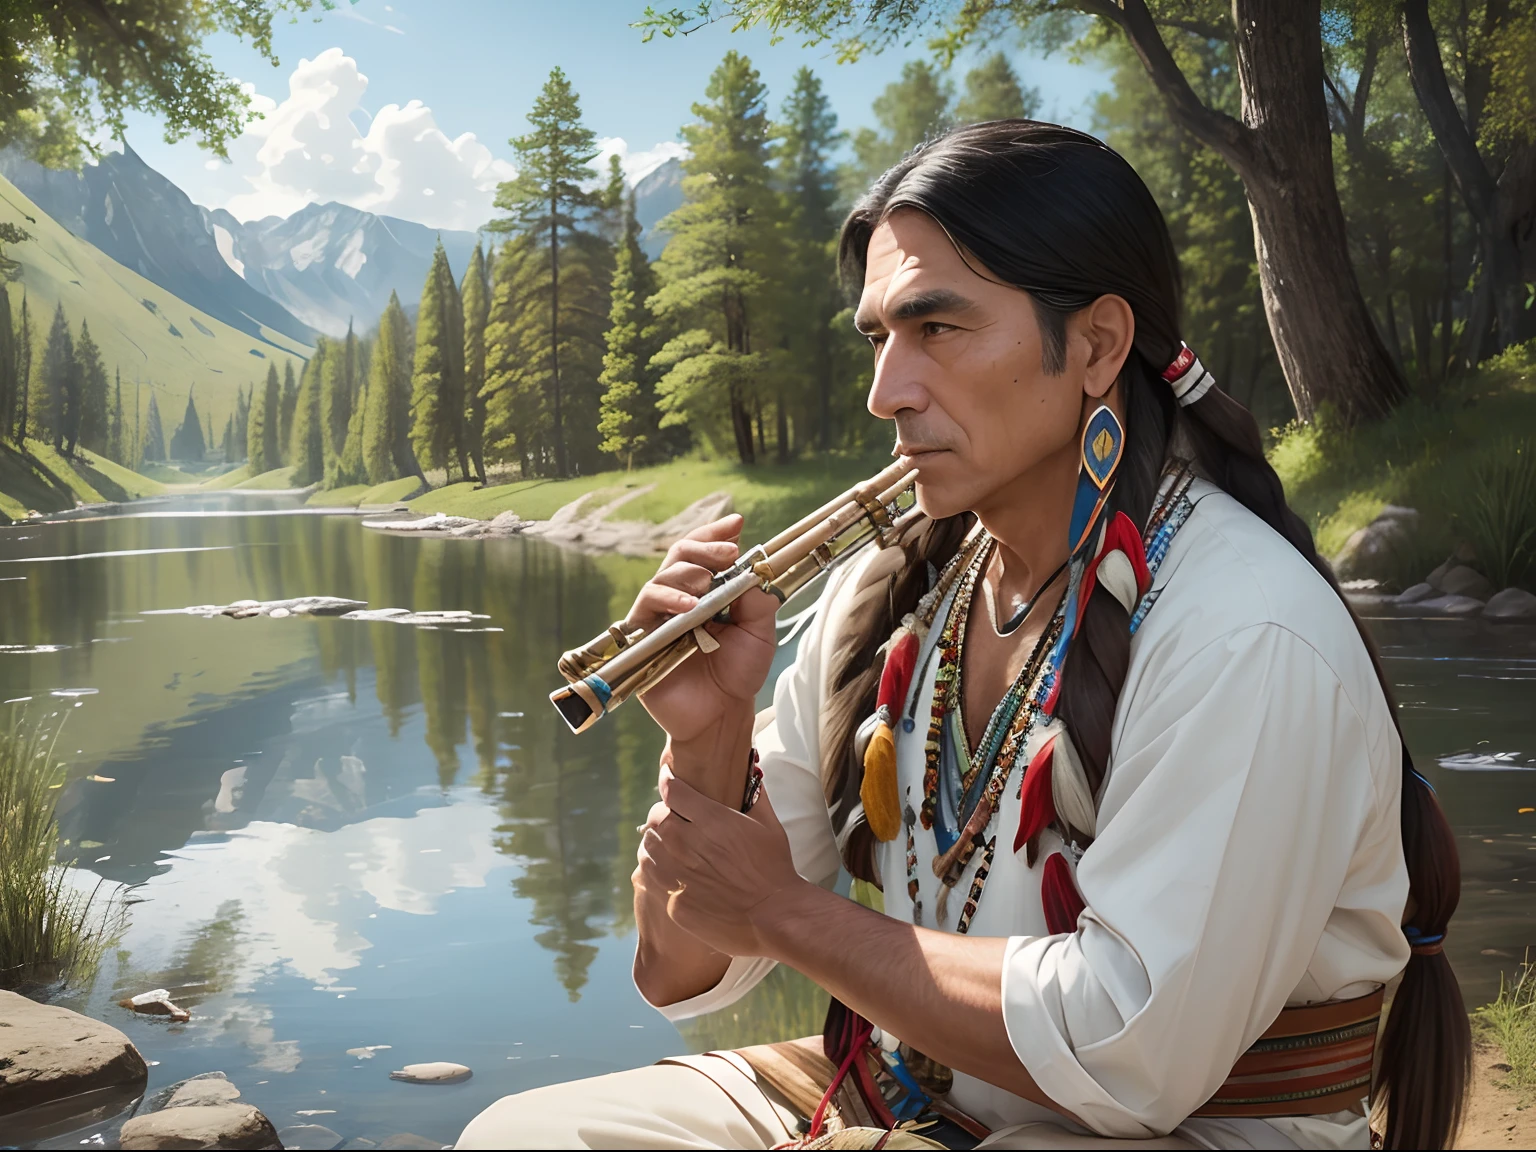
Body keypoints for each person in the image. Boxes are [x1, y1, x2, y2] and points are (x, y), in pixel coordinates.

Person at [458, 122, 1468, 1151]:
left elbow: (1134, 1056)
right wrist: (707, 741)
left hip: (1181, 1133)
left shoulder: (1245, 629)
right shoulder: (880, 595)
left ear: (1097, 346)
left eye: (937, 329)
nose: (885, 391)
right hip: (904, 1095)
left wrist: (790, 915)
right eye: (879, 337)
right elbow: (678, 972)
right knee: (515, 1138)